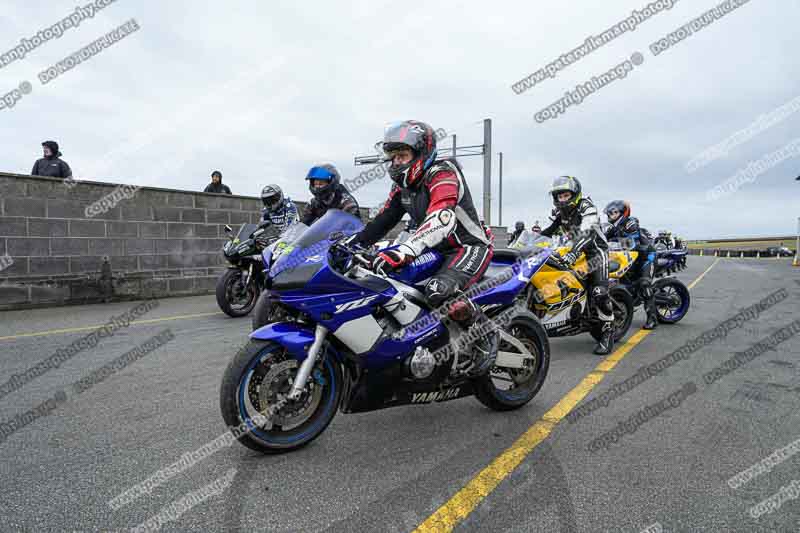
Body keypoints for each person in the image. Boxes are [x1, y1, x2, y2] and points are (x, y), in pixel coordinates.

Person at [350, 120, 496, 375]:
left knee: (438, 290)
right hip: (433, 249)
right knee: (386, 277)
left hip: (467, 246)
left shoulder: (443, 173)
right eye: (393, 156)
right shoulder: (402, 186)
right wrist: (351, 244)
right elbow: (383, 220)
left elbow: (441, 219)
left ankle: (486, 334)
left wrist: (403, 251)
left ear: (422, 153)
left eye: (402, 155)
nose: (396, 162)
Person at [540, 176, 614, 355]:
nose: (563, 199)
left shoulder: (587, 207)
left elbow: (587, 231)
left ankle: (608, 332)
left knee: (599, 293)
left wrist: (574, 251)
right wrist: (524, 246)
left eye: (566, 195)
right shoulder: (559, 213)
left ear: (575, 194)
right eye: (560, 196)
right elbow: (545, 232)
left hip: (595, 252)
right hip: (572, 250)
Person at [604, 200, 658, 330]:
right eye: (610, 213)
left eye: (614, 212)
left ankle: (652, 318)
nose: (611, 215)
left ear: (623, 213)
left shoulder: (630, 223)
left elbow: (631, 244)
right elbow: (603, 239)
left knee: (644, 283)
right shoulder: (613, 228)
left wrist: (614, 244)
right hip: (631, 258)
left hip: (646, 257)